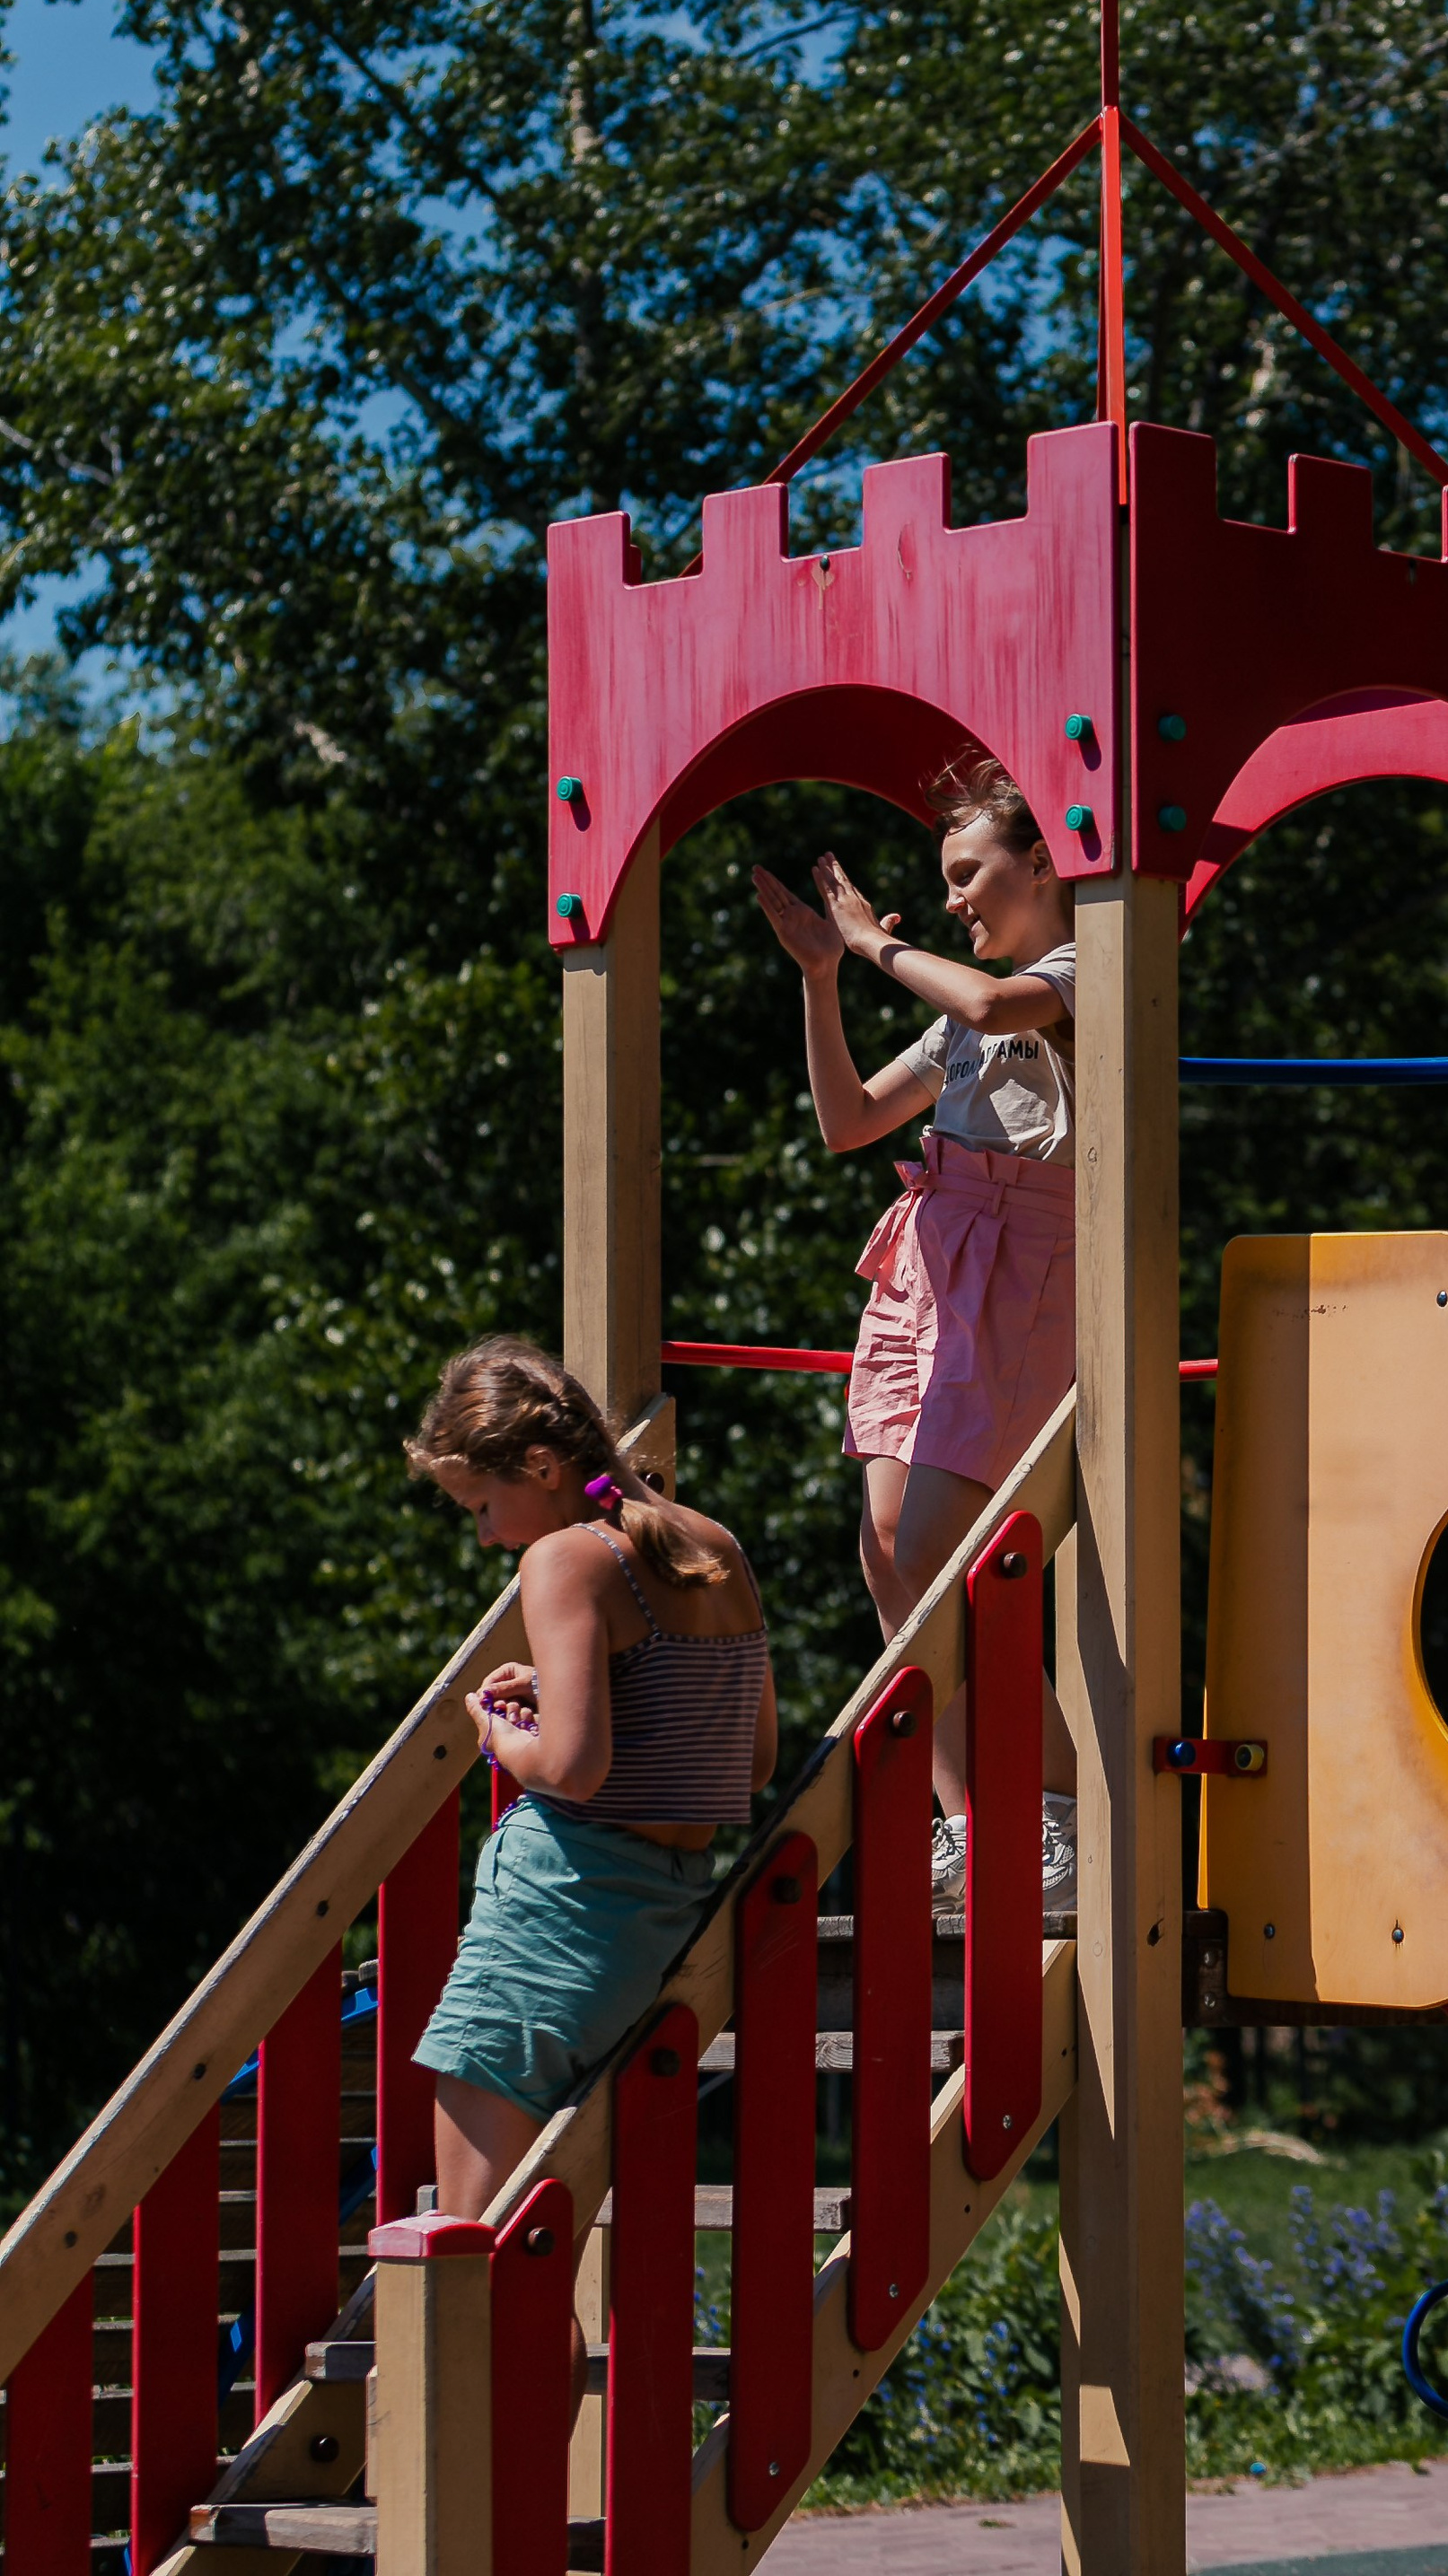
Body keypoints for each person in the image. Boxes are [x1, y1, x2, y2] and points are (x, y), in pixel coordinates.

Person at [750, 758, 1079, 1912]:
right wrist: (823, 975)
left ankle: (1055, 1816)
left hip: (1020, 1268)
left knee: (946, 1546)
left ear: (1044, 861)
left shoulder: (1083, 970)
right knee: (885, 1547)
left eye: (968, 873)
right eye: (942, 882)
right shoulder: (958, 1022)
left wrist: (876, 944)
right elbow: (847, 1123)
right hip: (927, 1266)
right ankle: (967, 1825)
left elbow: (990, 1004)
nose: (952, 901)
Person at [407, 1336, 777, 2249]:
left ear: (541, 1464)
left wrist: (492, 1729)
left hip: (555, 1917)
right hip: (659, 1914)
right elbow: (753, 1758)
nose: (487, 1534)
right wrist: (583, 1688)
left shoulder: (567, 1559)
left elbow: (573, 1771)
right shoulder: (714, 1543)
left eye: (484, 1507)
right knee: (530, 2262)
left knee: (479, 2258)